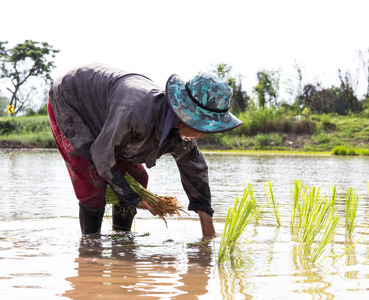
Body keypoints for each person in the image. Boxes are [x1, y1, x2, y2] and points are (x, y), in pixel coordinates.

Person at [47, 63, 242, 237]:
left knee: (138, 179)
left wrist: (208, 232)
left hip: (112, 117)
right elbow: (102, 155)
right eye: (202, 126)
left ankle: (121, 238)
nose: (202, 135)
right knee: (93, 179)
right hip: (73, 100)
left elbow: (196, 172)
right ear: (185, 114)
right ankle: (90, 247)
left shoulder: (181, 130)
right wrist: (136, 200)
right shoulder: (136, 112)